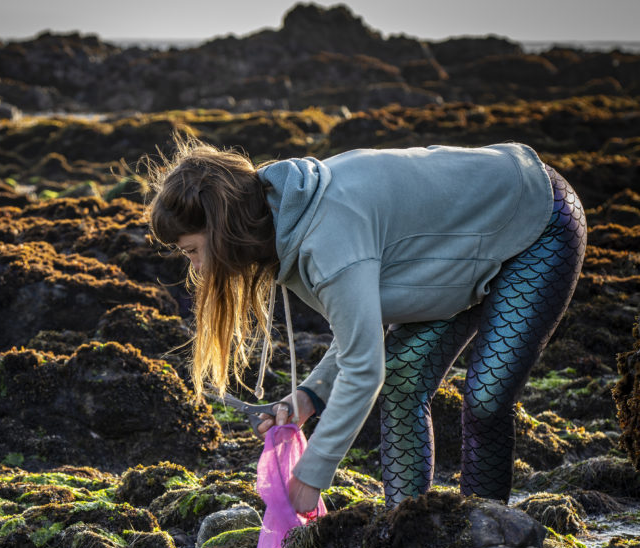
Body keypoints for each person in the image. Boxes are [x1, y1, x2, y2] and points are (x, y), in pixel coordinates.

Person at [147, 135, 586, 512]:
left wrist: (313, 471)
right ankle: (406, 530)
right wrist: (308, 398)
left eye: (192, 251)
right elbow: (359, 331)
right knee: (401, 379)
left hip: (534, 218)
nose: (199, 270)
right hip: (456, 260)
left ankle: (487, 532)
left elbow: (363, 367)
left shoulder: (325, 238)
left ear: (223, 232)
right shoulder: (285, 225)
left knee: (487, 398)